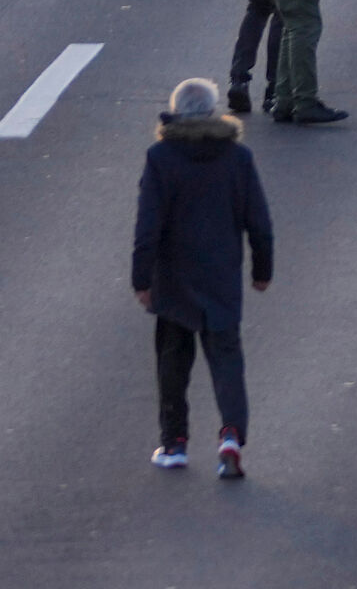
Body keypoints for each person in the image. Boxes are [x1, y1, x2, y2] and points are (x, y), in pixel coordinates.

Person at [129, 76, 274, 478]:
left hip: (173, 279)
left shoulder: (161, 157)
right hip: (220, 278)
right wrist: (262, 270)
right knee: (227, 359)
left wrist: (141, 279)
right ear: (212, 111)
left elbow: (147, 227)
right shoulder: (237, 157)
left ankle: (174, 443)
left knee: (172, 362)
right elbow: (259, 222)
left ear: (175, 112)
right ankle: (231, 436)